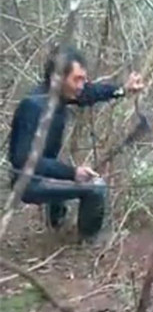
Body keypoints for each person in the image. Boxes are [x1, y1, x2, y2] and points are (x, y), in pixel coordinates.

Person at [8, 44, 144, 245]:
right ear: (58, 79)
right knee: (96, 188)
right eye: (77, 79)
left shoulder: (58, 96)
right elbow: (23, 159)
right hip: (28, 182)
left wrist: (123, 89)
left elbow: (91, 92)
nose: (82, 85)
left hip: (42, 175)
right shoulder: (34, 105)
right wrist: (72, 172)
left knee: (61, 174)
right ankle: (88, 243)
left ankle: (58, 228)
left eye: (83, 78)